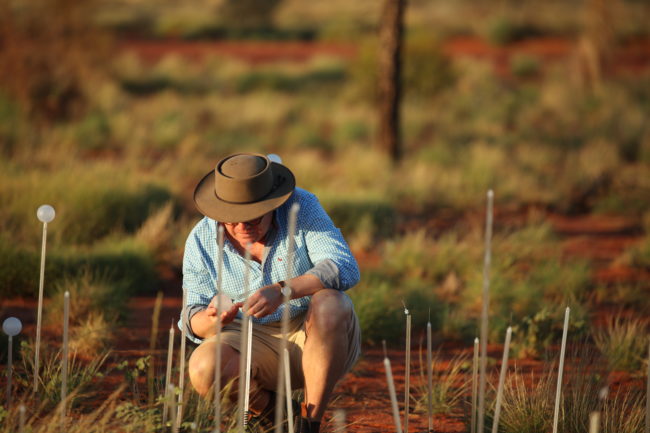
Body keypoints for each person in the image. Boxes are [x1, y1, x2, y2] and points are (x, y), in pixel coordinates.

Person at [181, 152, 361, 432]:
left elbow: (344, 266)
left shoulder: (301, 207)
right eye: (232, 220)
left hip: (311, 331)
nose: (242, 228)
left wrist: (284, 290)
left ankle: (310, 423)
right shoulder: (200, 238)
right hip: (246, 337)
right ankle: (275, 412)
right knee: (204, 366)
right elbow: (191, 317)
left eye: (252, 218)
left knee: (331, 302)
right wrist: (214, 318)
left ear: (272, 204)